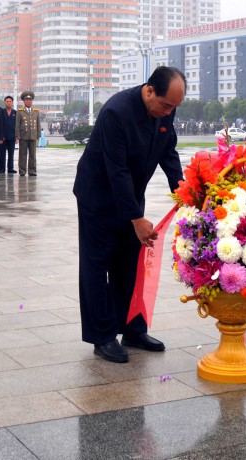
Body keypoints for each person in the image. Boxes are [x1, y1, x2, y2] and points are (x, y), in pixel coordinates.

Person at [73, 66, 186, 364]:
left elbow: (168, 151)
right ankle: (102, 335)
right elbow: (116, 169)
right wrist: (136, 219)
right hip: (97, 195)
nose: (169, 111)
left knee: (130, 263)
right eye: (165, 105)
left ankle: (133, 330)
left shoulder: (165, 111)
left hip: (130, 194)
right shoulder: (116, 112)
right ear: (149, 90)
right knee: (98, 264)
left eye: (174, 107)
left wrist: (184, 191)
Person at [17, 91, 40, 177]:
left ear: (32, 101)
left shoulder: (36, 111)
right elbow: (17, 124)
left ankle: (32, 171)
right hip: (23, 136)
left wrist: (38, 135)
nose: (28, 101)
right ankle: (22, 171)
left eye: (30, 100)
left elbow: (38, 124)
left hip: (33, 136)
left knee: (33, 155)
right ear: (24, 101)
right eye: (26, 100)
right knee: (22, 154)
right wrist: (17, 134)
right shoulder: (20, 112)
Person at [0, 95, 17, 174]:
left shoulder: (15, 113)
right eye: (7, 101)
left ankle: (10, 168)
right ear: (4, 102)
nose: (9, 103)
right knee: (2, 153)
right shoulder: (1, 112)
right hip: (3, 137)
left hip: (12, 136)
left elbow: (17, 125)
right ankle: (2, 168)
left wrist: (17, 136)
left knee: (11, 153)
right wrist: (1, 136)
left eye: (10, 101)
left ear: (12, 103)